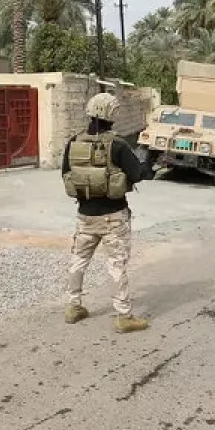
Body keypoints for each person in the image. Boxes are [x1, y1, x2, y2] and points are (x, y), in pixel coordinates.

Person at [61, 92, 149, 333]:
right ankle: (123, 316)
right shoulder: (118, 144)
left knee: (78, 261)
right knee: (117, 265)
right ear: (112, 114)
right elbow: (138, 174)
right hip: (113, 216)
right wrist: (147, 162)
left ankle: (73, 306)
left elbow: (66, 175)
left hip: (85, 215)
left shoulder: (74, 142)